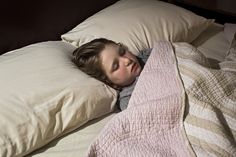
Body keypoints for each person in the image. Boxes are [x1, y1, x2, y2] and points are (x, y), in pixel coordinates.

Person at [72, 38, 151, 110]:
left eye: (122, 52)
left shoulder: (148, 55)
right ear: (111, 83)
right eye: (116, 66)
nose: (127, 60)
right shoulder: (129, 100)